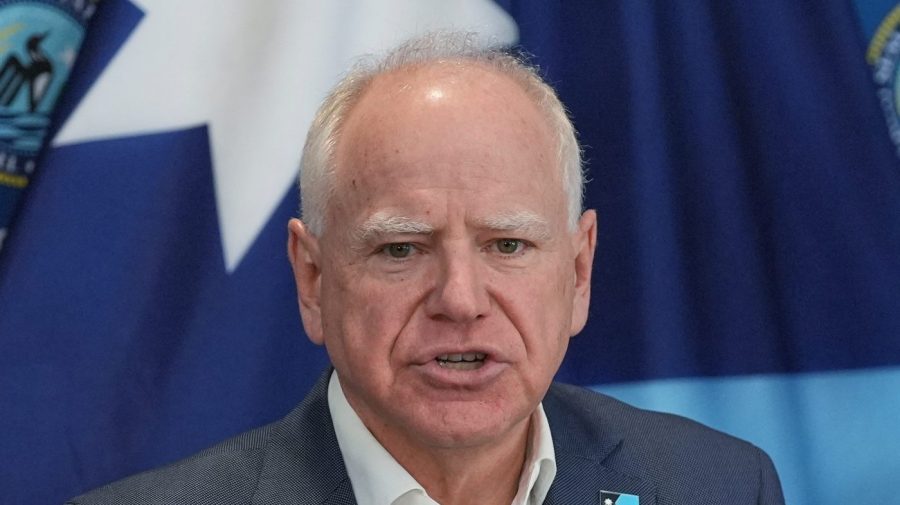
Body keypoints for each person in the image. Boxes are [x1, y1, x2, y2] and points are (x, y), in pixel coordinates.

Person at [67, 32, 785, 505]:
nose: (461, 299)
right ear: (313, 279)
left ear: (578, 272)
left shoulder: (718, 487)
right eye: (401, 249)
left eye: (508, 244)